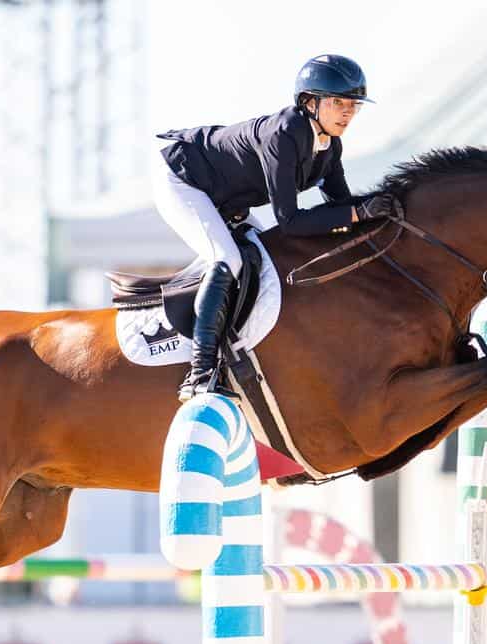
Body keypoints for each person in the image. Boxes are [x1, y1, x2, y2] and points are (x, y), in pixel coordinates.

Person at [153, 54, 401, 400]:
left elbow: (342, 207)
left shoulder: (330, 146)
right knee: (228, 259)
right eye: (338, 103)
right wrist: (357, 213)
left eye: (353, 105)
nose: (348, 113)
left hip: (227, 199)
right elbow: (290, 222)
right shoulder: (283, 135)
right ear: (310, 103)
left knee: (265, 258)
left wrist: (380, 211)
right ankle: (200, 372)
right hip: (184, 181)